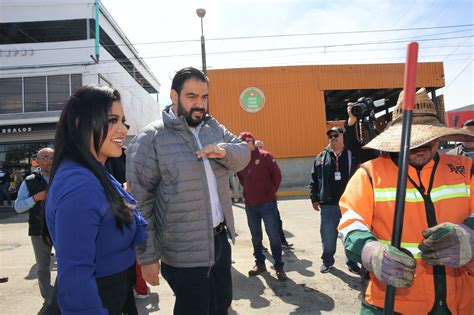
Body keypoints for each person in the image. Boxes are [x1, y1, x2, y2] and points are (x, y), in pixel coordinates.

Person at [338, 88, 474, 314]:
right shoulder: (369, 174)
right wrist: (369, 251)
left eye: (427, 137)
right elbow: (351, 223)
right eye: (411, 139)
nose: (420, 146)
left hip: (461, 302)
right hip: (392, 303)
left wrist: (470, 235)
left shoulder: (466, 169)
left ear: (439, 135)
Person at [126, 67, 250, 315]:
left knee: (220, 305)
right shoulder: (151, 137)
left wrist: (223, 151)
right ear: (174, 96)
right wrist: (148, 257)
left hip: (219, 243)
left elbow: (243, 154)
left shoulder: (213, 127)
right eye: (192, 96)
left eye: (204, 97)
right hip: (182, 252)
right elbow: (141, 202)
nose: (199, 104)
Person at [45, 85, 147, 314]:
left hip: (115, 294)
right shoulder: (79, 184)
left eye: (123, 120)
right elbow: (75, 276)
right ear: (81, 122)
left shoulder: (96, 171)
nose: (122, 129)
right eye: (112, 120)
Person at [237, 131, 288, 281]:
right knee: (256, 237)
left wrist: (270, 192)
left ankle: (279, 266)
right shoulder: (241, 161)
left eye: (248, 143)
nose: (246, 146)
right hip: (250, 205)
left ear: (253, 142)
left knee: (273, 235)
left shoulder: (266, 156)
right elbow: (242, 180)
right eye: (243, 144)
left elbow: (277, 176)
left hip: (267, 204)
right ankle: (260, 264)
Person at [310, 126, 360, 274]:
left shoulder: (352, 155)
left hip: (349, 204)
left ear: (343, 137)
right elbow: (314, 178)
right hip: (328, 204)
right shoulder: (321, 157)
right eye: (330, 136)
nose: (333, 138)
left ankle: (351, 261)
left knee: (350, 234)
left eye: (336, 135)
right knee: (328, 235)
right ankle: (327, 261)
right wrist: (314, 198)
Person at [105, 146, 151, 300]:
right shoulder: (104, 164)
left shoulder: (119, 158)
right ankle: (138, 288)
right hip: (121, 212)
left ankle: (138, 288)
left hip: (126, 212)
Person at [14, 148, 54, 304]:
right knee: (43, 266)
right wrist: (36, 198)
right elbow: (18, 206)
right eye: (45, 157)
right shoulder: (29, 181)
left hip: (63, 228)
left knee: (67, 263)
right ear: (37, 161)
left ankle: (64, 294)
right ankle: (48, 299)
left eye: (53, 157)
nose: (49, 160)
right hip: (38, 230)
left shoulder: (62, 177)